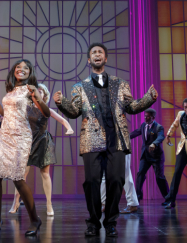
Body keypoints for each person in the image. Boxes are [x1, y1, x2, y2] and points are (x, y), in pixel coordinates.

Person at [54, 42, 158, 237]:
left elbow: (131, 107)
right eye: (93, 52)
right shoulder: (79, 87)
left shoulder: (120, 84)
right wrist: (61, 103)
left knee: (116, 180)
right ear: (89, 59)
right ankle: (93, 222)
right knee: (92, 181)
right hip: (91, 140)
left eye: (100, 52)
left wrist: (149, 98)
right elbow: (75, 112)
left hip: (116, 139)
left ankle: (111, 222)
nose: (97, 55)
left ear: (105, 58)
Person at [0, 59, 47, 236]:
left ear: (30, 73)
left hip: (21, 137)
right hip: (4, 136)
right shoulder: (11, 90)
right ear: (14, 71)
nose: (21, 70)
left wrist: (37, 96)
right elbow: (5, 114)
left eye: (25, 68)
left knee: (18, 178)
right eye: (18, 67)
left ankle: (35, 219)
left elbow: (47, 113)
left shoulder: (31, 90)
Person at [9, 89, 74, 217]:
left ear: (44, 95)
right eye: (36, 91)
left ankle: (49, 204)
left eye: (41, 91)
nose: (38, 93)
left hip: (43, 142)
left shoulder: (46, 110)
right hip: (27, 142)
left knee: (45, 173)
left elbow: (63, 120)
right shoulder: (25, 109)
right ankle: (15, 202)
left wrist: (69, 128)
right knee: (21, 175)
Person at [129, 108, 169, 207]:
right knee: (140, 174)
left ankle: (168, 199)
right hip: (145, 156)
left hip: (156, 157)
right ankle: (138, 196)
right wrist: (126, 137)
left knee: (160, 178)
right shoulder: (143, 125)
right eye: (145, 116)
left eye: (148, 117)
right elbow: (137, 132)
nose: (146, 118)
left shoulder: (159, 127)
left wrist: (154, 144)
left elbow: (161, 137)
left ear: (153, 118)